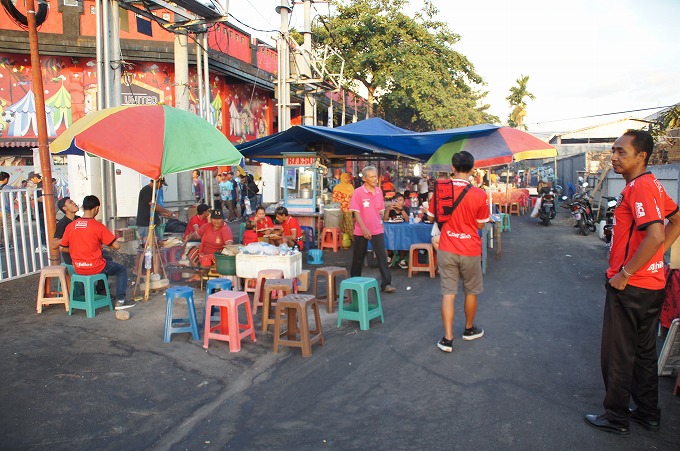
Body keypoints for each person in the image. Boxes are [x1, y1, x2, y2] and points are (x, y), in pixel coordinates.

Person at [584, 130, 680, 437]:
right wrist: (656, 257)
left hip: (630, 286)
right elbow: (676, 220)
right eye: (613, 150)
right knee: (644, 351)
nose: (613, 156)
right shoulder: (652, 185)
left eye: (621, 152)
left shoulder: (640, 187)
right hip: (651, 284)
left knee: (618, 354)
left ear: (642, 156)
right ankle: (648, 412)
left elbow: (654, 234)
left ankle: (616, 417)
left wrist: (625, 273)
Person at [429, 151, 489, 353]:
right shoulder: (480, 194)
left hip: (447, 248)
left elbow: (431, 217)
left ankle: (447, 339)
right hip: (470, 250)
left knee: (449, 293)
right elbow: (481, 225)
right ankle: (469, 329)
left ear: (452, 168)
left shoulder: (441, 191)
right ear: (472, 169)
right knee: (470, 291)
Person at [60, 195, 135, 310]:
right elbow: (117, 246)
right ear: (96, 209)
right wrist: (102, 243)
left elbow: (62, 247)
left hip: (78, 267)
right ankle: (120, 301)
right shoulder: (98, 226)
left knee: (105, 260)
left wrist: (78, 248)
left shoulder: (71, 226)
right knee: (121, 269)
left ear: (84, 207)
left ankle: (102, 293)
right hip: (95, 266)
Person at [349, 166, 395, 293]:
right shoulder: (358, 192)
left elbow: (380, 211)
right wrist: (363, 229)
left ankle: (386, 283)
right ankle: (354, 283)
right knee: (358, 258)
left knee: (382, 256)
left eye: (376, 176)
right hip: (361, 230)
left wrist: (381, 223)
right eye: (372, 177)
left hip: (376, 229)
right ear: (364, 178)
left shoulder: (379, 191)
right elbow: (356, 212)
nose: (376, 179)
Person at [136, 178, 175, 245]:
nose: (161, 187)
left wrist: (162, 213)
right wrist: (167, 211)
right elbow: (153, 205)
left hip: (151, 223)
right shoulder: (146, 190)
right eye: (161, 184)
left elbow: (153, 208)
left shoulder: (152, 191)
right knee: (147, 245)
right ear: (157, 182)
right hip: (145, 223)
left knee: (157, 243)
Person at [383, 192, 410, 269]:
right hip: (392, 231)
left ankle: (402, 259)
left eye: (401, 200)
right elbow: (385, 220)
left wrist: (401, 209)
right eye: (396, 200)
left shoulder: (406, 209)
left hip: (403, 232)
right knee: (387, 237)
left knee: (403, 240)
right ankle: (390, 255)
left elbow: (408, 219)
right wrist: (388, 210)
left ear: (404, 202)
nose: (398, 202)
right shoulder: (391, 210)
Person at [51, 197, 80, 264]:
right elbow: (53, 245)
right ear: (65, 208)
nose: (74, 203)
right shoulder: (62, 224)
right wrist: (67, 237)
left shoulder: (79, 219)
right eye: (70, 202)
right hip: (72, 258)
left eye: (73, 201)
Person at [332, 172, 355, 239]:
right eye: (346, 178)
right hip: (339, 209)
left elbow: (354, 197)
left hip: (348, 208)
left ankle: (350, 237)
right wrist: (334, 207)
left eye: (348, 178)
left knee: (349, 223)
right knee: (340, 223)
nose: (347, 179)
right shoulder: (337, 187)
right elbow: (334, 198)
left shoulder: (350, 187)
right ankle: (340, 238)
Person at [1, 171, 14, 248]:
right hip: (6, 210)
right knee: (8, 226)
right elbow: (12, 198)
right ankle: (8, 244)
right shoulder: (9, 188)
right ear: (6, 179)